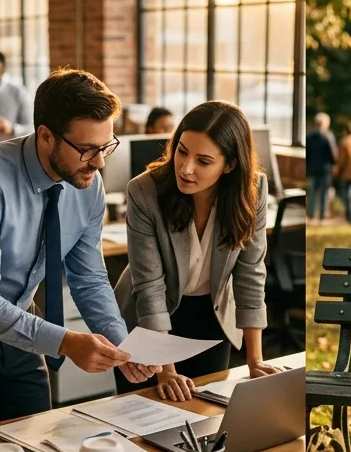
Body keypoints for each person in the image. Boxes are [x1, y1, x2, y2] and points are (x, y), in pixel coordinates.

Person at [0, 68, 155, 437]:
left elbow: (88, 277)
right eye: (87, 149)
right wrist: (65, 341)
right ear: (45, 136)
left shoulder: (88, 184)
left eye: (106, 146)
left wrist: (122, 344)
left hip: (22, 321)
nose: (100, 162)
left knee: (37, 444)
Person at [114, 101, 280, 398]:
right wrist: (165, 369)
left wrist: (256, 361)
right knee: (146, 422)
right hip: (148, 319)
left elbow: (250, 274)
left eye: (203, 161)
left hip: (211, 315)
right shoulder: (144, 192)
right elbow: (149, 286)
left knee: (208, 415)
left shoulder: (252, 191)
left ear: (229, 165)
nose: (186, 168)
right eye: (181, 151)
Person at [305, 112, 337, 221]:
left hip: (312, 169)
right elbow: (333, 155)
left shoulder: (309, 137)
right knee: (323, 194)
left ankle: (312, 215)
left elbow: (307, 155)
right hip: (325, 170)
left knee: (312, 194)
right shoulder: (328, 137)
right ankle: (322, 216)